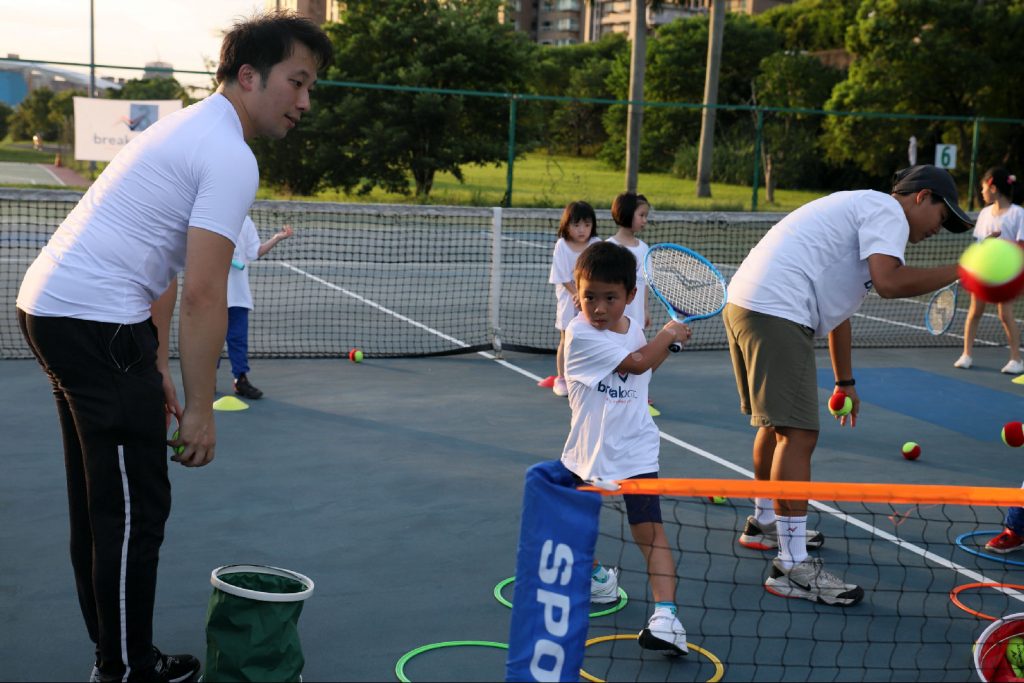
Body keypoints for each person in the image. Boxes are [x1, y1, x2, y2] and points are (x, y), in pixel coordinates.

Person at [15, 12, 331, 682]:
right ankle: (126, 668)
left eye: (311, 87)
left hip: (58, 309)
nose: (306, 101)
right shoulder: (229, 153)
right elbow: (206, 292)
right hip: (93, 320)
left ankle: (119, 656)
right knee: (133, 511)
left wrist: (156, 362)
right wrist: (201, 407)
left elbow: (161, 266)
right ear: (249, 76)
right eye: (298, 82)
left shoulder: (188, 127)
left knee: (103, 504)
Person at [723, 164, 972, 607]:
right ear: (921, 197)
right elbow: (890, 283)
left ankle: (765, 523)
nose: (940, 228)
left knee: (776, 427)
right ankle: (791, 566)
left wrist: (845, 381)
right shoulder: (888, 212)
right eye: (942, 215)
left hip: (749, 303)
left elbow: (840, 314)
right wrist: (962, 271)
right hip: (776, 309)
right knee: (799, 434)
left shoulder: (866, 213)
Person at [559, 241, 692, 654]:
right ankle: (599, 579)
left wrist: (664, 344)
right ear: (577, 294)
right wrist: (668, 334)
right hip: (589, 451)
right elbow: (635, 363)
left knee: (650, 533)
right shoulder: (580, 334)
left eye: (610, 298)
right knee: (570, 529)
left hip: (636, 450)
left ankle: (667, 618)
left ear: (631, 296)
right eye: (589, 297)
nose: (598, 308)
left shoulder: (633, 328)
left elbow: (643, 369)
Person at [954, 167, 1024, 374]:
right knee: (974, 312)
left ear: (993, 188)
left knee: (1005, 314)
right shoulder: (984, 214)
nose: (982, 192)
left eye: (983, 187)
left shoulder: (1018, 213)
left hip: (1006, 274)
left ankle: (1016, 359)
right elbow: (979, 245)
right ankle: (966, 354)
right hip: (983, 272)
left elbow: (1021, 247)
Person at [227, 216, 294, 399]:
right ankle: (208, 380)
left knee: (238, 340)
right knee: (211, 341)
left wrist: (277, 238)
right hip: (213, 294)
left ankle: (240, 380)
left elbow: (255, 252)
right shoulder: (212, 216)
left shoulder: (246, 221)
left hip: (238, 296)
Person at [543, 200, 602, 397]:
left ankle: (588, 376)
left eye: (587, 224)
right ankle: (562, 378)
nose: (582, 229)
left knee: (593, 336)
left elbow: (601, 273)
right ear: (566, 225)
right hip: (568, 299)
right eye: (576, 225)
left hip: (593, 300)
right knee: (566, 337)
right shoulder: (561, 245)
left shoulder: (596, 244)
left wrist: (588, 296)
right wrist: (577, 294)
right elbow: (562, 276)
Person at [607, 192, 652, 333]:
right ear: (627, 213)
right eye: (641, 215)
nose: (645, 220)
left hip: (637, 318)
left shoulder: (644, 249)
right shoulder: (608, 247)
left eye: (646, 216)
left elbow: (645, 283)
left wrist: (645, 309)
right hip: (613, 318)